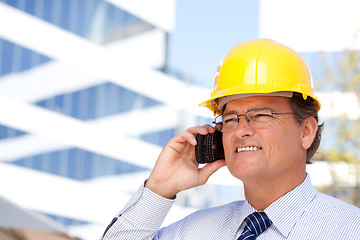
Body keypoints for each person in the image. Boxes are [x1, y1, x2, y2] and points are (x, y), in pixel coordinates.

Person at [101, 39, 360, 239]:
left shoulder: (350, 230)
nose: (240, 130)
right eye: (230, 118)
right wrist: (159, 188)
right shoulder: (194, 231)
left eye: (260, 115)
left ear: (306, 131)